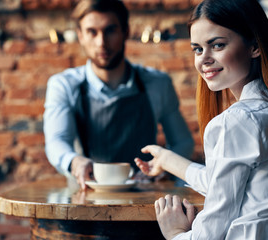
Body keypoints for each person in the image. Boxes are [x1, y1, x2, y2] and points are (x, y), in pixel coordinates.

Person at [134, 0, 268, 239]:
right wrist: (167, 159)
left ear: (254, 46)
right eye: (198, 49)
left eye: (217, 45)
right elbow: (229, 184)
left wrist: (175, 232)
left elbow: (210, 234)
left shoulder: (239, 121)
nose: (204, 59)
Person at [43, 0, 194, 190]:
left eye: (110, 30)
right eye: (92, 32)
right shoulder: (64, 85)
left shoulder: (158, 84)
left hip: (145, 200)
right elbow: (56, 141)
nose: (101, 42)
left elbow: (183, 141)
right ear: (80, 35)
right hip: (85, 200)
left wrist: (166, 166)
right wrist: (75, 162)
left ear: (126, 31)